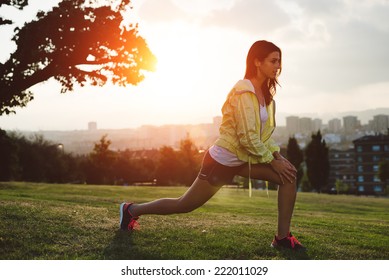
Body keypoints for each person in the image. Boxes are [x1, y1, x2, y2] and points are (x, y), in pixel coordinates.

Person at [120, 40, 305, 251]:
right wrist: (273, 160)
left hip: (244, 159)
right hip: (223, 160)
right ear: (257, 61)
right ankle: (131, 210)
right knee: (184, 205)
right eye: (273, 61)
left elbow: (263, 136)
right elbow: (247, 137)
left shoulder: (266, 95)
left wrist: (277, 157)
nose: (278, 66)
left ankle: (282, 238)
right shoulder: (245, 92)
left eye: (279, 61)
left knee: (288, 176)